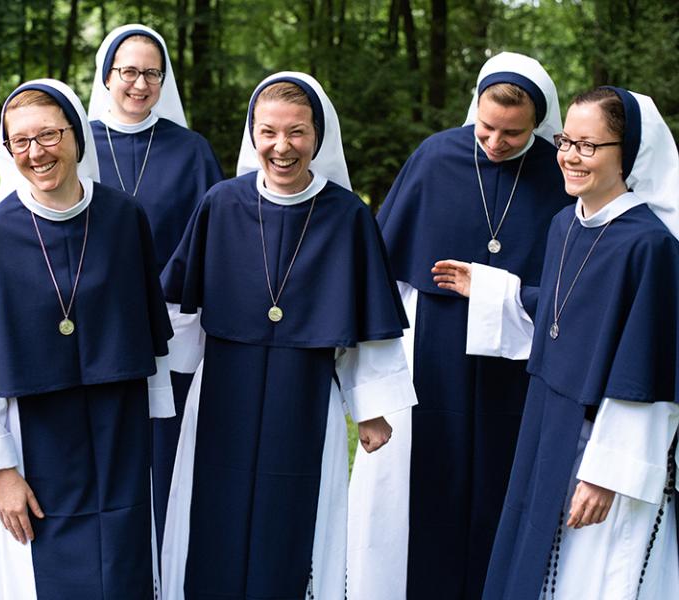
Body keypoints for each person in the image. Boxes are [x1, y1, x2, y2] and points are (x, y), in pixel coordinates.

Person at [160, 71, 416, 600]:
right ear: (252, 134)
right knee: (212, 507)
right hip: (222, 388)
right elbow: (183, 306)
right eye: (269, 132)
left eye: (297, 132)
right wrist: (163, 383)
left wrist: (370, 408)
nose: (282, 147)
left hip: (306, 392)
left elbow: (366, 324)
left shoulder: (348, 217)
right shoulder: (221, 203)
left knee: (297, 515)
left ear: (318, 137)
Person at [0, 78, 174, 599]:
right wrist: (2, 474)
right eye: (21, 141)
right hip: (30, 446)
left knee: (123, 566)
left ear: (77, 136)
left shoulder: (125, 218)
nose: (36, 152)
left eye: (49, 135)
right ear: (8, 149)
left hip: (119, 438)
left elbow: (148, 342)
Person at [434, 87, 679, 600]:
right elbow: (561, 317)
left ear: (628, 152)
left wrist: (608, 474)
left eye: (589, 146)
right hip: (547, 429)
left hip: (600, 449)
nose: (568, 155)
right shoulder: (564, 225)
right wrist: (491, 287)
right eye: (567, 140)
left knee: (592, 575)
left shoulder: (651, 246)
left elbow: (650, 370)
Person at [370, 52, 573, 599]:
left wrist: (496, 288)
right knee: (435, 477)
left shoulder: (560, 172)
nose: (495, 143)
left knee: (504, 480)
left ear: (539, 122)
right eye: (486, 128)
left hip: (522, 350)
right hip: (438, 342)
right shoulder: (436, 156)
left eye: (513, 133)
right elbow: (385, 259)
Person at [86, 24, 223, 547]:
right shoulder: (79, 143)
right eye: (128, 72)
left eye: (151, 74)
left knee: (166, 444)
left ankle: (168, 552)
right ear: (107, 76)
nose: (139, 84)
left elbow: (212, 238)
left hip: (173, 322)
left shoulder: (190, 150)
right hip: (95, 323)